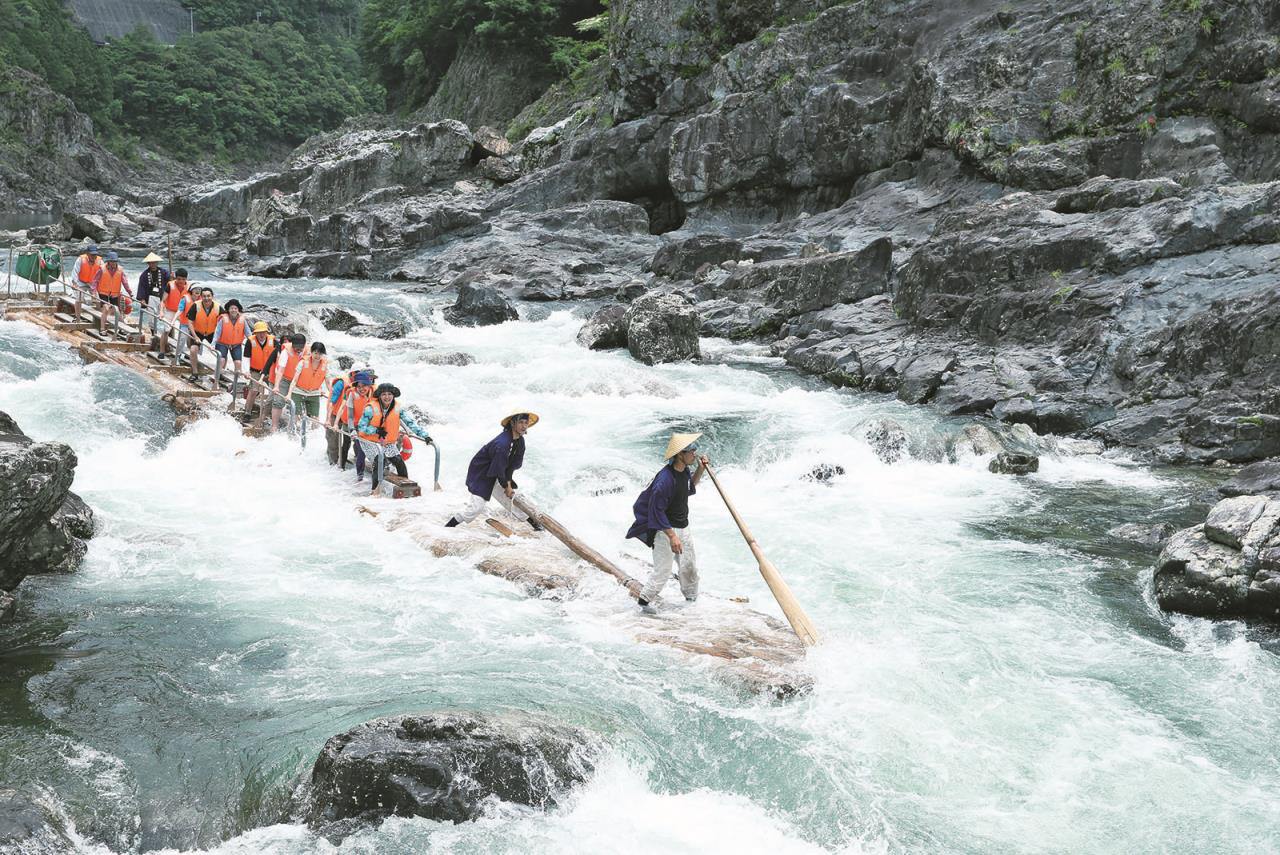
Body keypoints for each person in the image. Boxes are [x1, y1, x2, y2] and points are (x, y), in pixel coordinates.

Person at [625, 432, 710, 609]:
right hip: (664, 531)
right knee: (662, 572)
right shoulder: (664, 480)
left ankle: (691, 603)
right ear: (680, 454)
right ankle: (643, 605)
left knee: (689, 568)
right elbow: (656, 511)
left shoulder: (684, 470)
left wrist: (701, 469)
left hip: (682, 528)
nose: (694, 453)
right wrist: (672, 537)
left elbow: (688, 487)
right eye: (691, 451)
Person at [445, 412, 541, 530]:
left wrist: (508, 483)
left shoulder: (520, 441)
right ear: (512, 423)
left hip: (497, 472)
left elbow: (510, 466)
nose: (524, 426)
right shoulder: (502, 443)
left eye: (526, 423)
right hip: (482, 473)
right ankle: (448, 526)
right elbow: (499, 468)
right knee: (476, 508)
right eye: (520, 422)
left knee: (512, 499)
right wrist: (506, 485)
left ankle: (536, 525)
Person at [355, 383, 432, 496]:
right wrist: (376, 430)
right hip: (369, 441)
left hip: (387, 442)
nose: (387, 397)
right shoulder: (370, 408)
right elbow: (361, 427)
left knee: (399, 462)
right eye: (384, 394)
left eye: (389, 394)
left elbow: (410, 422)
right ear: (380, 396)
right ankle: (375, 491)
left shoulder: (398, 408)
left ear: (393, 395)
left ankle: (406, 488)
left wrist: (425, 435)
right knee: (379, 460)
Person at [335, 370, 376, 476]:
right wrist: (352, 429)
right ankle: (342, 466)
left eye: (364, 386)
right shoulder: (352, 395)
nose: (361, 389)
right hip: (351, 423)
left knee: (364, 448)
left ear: (370, 384)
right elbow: (350, 416)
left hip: (366, 425)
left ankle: (364, 472)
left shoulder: (375, 393)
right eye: (359, 386)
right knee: (347, 444)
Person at [267, 333, 306, 433]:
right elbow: (280, 370)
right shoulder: (286, 352)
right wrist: (276, 386)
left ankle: (295, 427)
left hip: (298, 381)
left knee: (298, 404)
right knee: (278, 401)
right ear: (292, 345)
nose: (298, 350)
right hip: (285, 379)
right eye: (296, 347)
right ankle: (274, 426)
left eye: (300, 347)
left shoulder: (308, 351)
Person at [287, 342, 330, 432]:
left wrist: (332, 396)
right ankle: (294, 436)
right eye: (315, 353)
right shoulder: (302, 362)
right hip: (298, 391)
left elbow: (328, 384)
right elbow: (294, 380)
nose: (317, 356)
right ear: (311, 352)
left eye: (320, 353)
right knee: (296, 417)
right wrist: (289, 394)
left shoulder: (325, 366)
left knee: (315, 420)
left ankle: (311, 439)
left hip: (314, 393)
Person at [91, 251, 132, 336]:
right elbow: (95, 281)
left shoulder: (120, 270)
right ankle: (102, 329)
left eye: (115, 261)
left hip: (115, 293)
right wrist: (93, 292)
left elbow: (125, 282)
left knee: (117, 310)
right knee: (105, 308)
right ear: (108, 261)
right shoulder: (102, 269)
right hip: (103, 292)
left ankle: (122, 328)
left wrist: (130, 292)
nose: (113, 263)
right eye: (112, 261)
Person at [185, 287, 221, 383]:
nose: (206, 298)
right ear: (201, 297)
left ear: (212, 297)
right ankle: (195, 373)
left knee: (221, 351)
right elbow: (189, 322)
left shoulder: (218, 307)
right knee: (193, 350)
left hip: (212, 332)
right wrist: (195, 336)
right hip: (198, 332)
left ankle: (219, 374)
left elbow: (224, 321)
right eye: (204, 296)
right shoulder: (195, 305)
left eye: (208, 296)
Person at [212, 299, 248, 393]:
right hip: (222, 343)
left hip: (236, 345)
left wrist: (253, 344)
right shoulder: (223, 319)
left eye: (235, 308)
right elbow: (217, 332)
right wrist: (213, 344)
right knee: (222, 360)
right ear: (228, 309)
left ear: (238, 310)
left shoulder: (243, 320)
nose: (233, 310)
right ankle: (216, 382)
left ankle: (235, 385)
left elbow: (249, 334)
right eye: (231, 308)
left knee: (238, 364)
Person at [243, 322, 275, 418]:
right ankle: (247, 412)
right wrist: (246, 371)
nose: (261, 335)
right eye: (259, 332)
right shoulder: (250, 341)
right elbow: (246, 357)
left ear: (267, 332)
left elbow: (278, 356)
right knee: (253, 391)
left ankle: (268, 414)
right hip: (255, 371)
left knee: (273, 392)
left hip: (270, 371)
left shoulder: (273, 341)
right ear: (255, 333)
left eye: (263, 332)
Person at [157, 267, 190, 359]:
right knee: (166, 330)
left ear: (186, 279)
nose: (181, 281)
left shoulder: (189, 287)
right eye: (179, 279)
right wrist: (161, 312)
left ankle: (187, 354)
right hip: (170, 310)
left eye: (183, 279)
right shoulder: (170, 285)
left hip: (182, 312)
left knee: (187, 332)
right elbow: (163, 300)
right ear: (176, 278)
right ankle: (162, 351)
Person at [135, 252, 169, 330]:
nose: (153, 264)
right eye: (151, 263)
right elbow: (141, 287)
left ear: (157, 263)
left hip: (162, 297)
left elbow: (170, 281)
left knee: (166, 317)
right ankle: (154, 333)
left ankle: (168, 334)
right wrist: (142, 299)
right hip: (151, 297)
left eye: (154, 262)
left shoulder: (164, 272)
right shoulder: (144, 275)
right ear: (148, 263)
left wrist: (172, 277)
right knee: (152, 317)